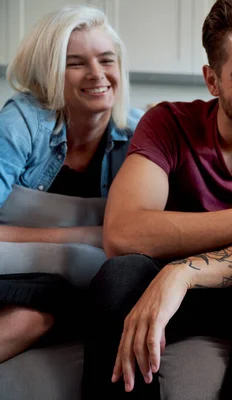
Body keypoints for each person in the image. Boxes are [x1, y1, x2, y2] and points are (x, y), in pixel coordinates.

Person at [82, 0, 232, 399]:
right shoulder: (168, 122)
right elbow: (123, 233)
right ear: (212, 80)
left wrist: (182, 272)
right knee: (119, 277)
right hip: (169, 302)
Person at [0, 5, 141, 363]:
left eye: (106, 60)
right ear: (49, 72)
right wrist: (83, 236)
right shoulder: (21, 123)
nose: (97, 75)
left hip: (76, 288)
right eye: (76, 63)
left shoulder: (140, 135)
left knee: (61, 303)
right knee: (46, 303)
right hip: (14, 277)